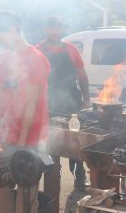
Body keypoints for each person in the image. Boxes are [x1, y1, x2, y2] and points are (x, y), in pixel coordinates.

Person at [0, 11, 50, 213]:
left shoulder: (37, 59)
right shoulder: (4, 59)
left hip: (30, 138)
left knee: (26, 195)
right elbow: (2, 97)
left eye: (0, 35)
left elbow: (32, 103)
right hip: (5, 136)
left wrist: (22, 144)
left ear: (13, 29)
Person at [36, 16, 91, 189]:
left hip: (71, 102)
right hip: (47, 102)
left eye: (58, 28)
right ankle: (52, 172)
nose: (55, 31)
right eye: (52, 28)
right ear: (46, 29)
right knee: (48, 139)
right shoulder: (37, 51)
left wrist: (86, 98)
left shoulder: (72, 49)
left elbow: (82, 75)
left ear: (61, 29)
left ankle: (78, 175)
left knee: (75, 140)